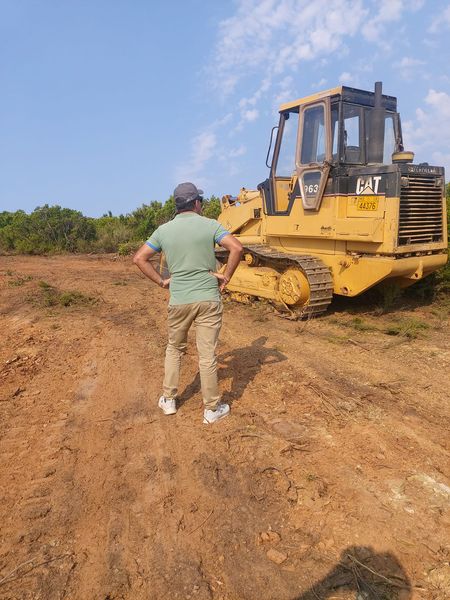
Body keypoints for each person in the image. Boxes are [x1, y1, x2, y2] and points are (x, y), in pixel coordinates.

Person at [133, 182, 243, 424]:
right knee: (207, 356)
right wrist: (225, 277)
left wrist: (162, 282)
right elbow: (236, 247)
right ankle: (212, 409)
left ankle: (169, 400)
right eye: (200, 201)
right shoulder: (210, 225)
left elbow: (140, 258)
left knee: (174, 348)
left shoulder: (163, 231)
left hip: (180, 299)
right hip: (207, 298)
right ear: (196, 203)